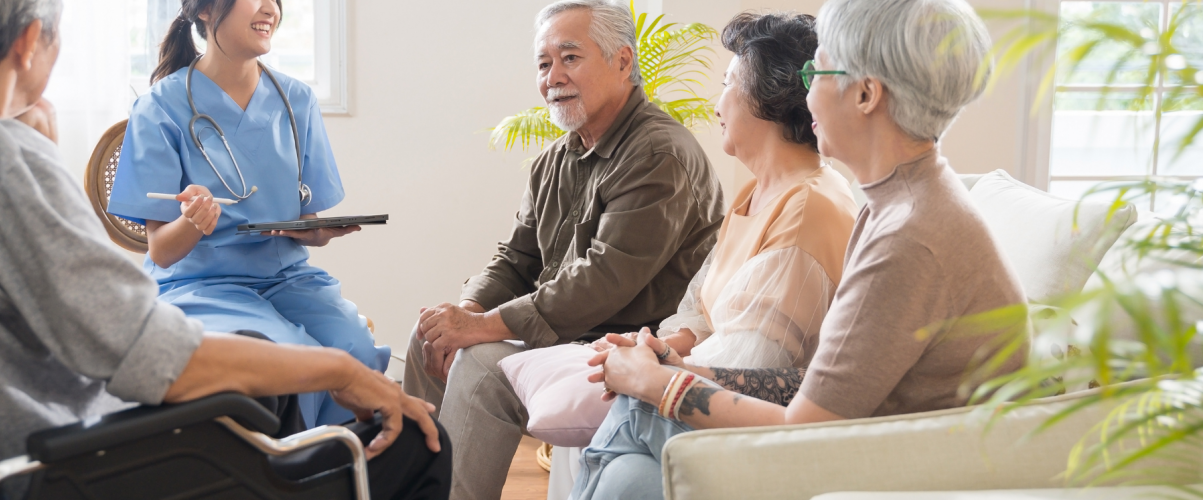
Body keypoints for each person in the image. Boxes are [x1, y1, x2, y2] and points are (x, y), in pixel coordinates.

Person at [0, 0, 449, 498]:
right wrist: (343, 372)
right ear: (27, 42)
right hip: (75, 455)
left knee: (282, 390)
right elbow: (160, 359)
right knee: (428, 439)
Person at [583, 0, 1030, 497]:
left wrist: (655, 384)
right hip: (872, 446)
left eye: (817, 71)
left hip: (887, 471)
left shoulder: (908, 239)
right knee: (631, 478)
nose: (805, 93)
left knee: (637, 408)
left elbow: (805, 433)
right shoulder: (900, 203)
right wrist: (679, 366)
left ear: (865, 94)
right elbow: (822, 386)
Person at [403, 1, 725, 498]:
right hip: (564, 334)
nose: (553, 75)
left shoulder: (659, 154)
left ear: (622, 61)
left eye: (569, 57)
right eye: (543, 62)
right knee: (428, 335)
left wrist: (482, 328)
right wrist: (465, 312)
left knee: (480, 363)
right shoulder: (556, 157)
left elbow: (601, 281)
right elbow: (516, 258)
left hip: (620, 347)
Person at [566, 12, 856, 499]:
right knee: (626, 480)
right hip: (717, 389)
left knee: (631, 409)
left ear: (765, 100)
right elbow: (701, 304)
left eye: (727, 84)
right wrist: (666, 345)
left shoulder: (809, 208)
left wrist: (654, 373)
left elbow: (754, 361)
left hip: (758, 427)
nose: (717, 102)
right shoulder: (757, 193)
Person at [105, 0, 379, 428]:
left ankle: (345, 472)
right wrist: (194, 223)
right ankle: (287, 476)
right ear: (206, 11)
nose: (270, 7)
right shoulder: (160, 107)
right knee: (288, 360)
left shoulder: (297, 100)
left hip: (289, 278)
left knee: (355, 349)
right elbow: (160, 251)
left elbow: (310, 218)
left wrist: (318, 232)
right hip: (202, 285)